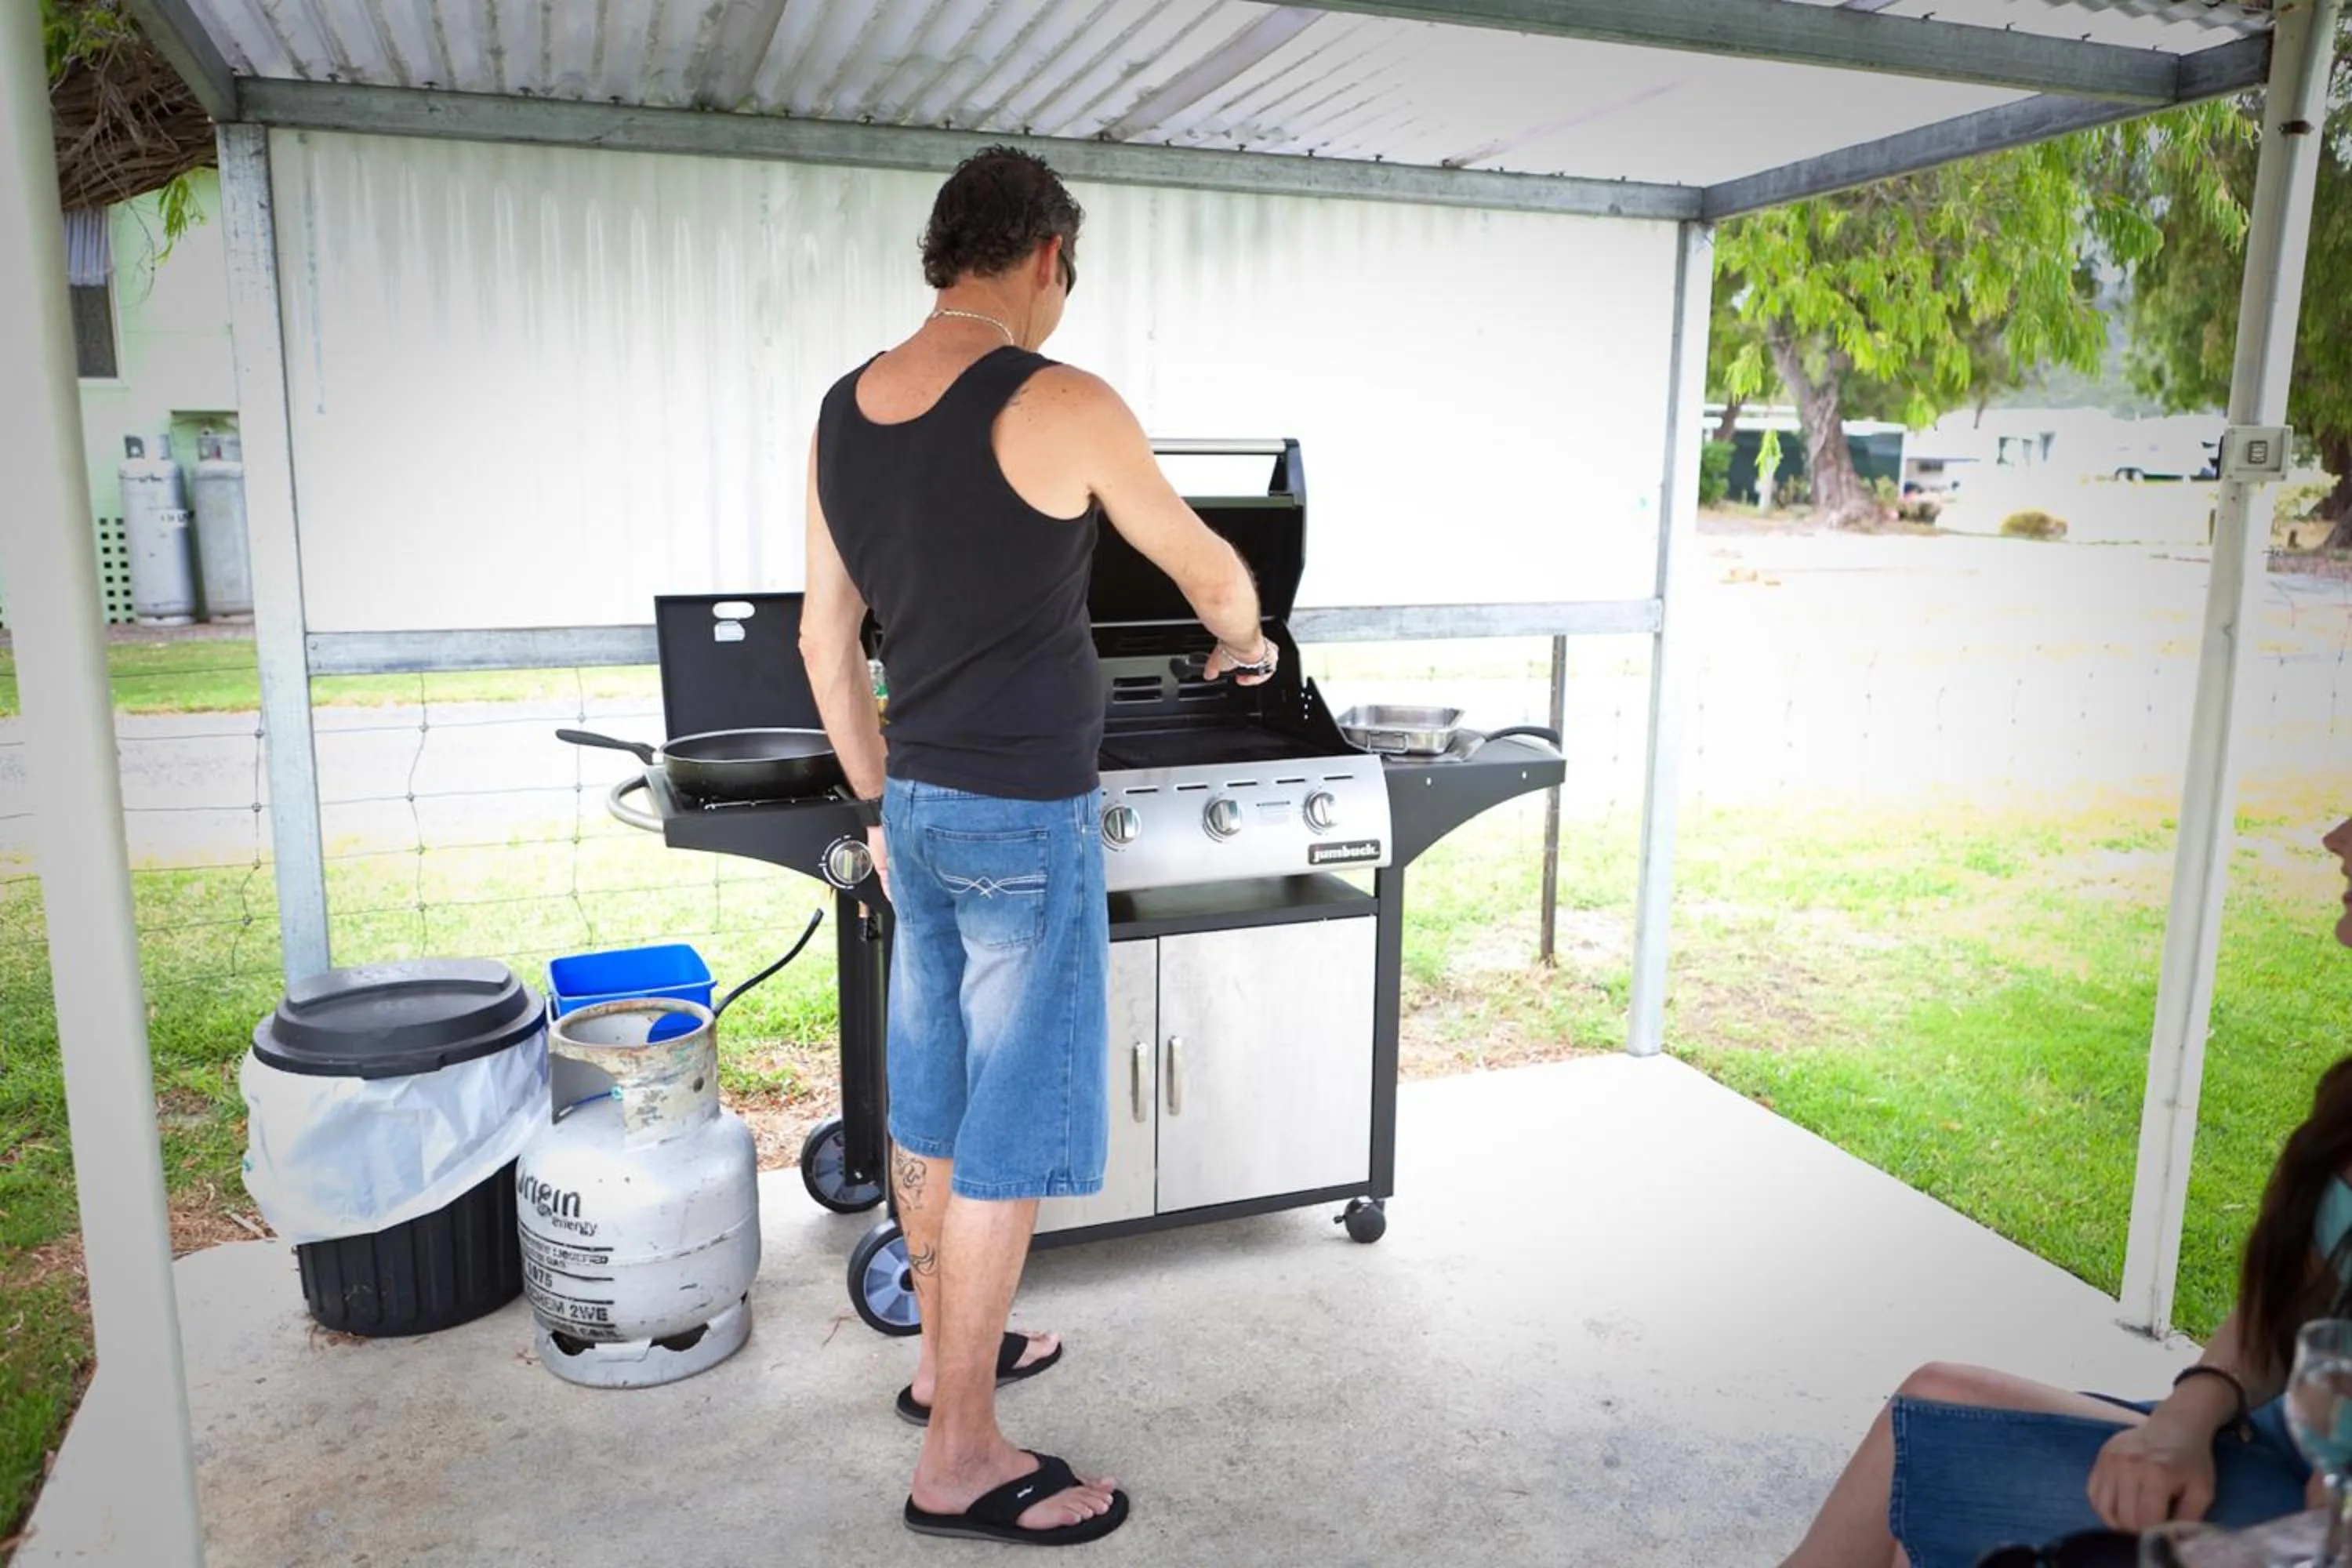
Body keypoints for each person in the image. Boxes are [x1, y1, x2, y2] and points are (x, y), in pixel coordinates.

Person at [798, 147, 1276, 1546]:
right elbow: (1205, 568)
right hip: (1024, 821)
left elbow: (828, 645)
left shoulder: (841, 412)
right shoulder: (1057, 398)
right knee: (1004, 1128)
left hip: (926, 815)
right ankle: (959, 1452)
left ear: (944, 251)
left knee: (935, 1105)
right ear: (1047, 258)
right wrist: (1245, 643)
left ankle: (950, 1355)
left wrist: (883, 804)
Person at [1781, 814, 2352, 1568]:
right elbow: (2297, 1300)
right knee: (1930, 1418)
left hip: (2313, 1521)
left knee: (1931, 1446)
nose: (2336, 838)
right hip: (2276, 1442)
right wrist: (2190, 1408)